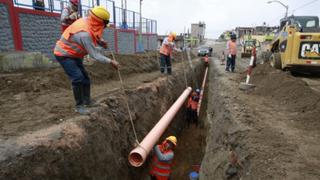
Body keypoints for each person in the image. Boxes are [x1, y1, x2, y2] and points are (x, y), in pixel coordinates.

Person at [54, 6, 119, 115]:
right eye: (104, 25)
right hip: (64, 54)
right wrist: (111, 61)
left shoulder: (88, 21)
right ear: (99, 22)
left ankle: (87, 101)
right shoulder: (84, 34)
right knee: (78, 78)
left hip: (75, 54)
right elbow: (94, 54)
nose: (104, 28)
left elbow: (93, 33)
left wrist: (100, 42)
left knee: (85, 78)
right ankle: (79, 106)